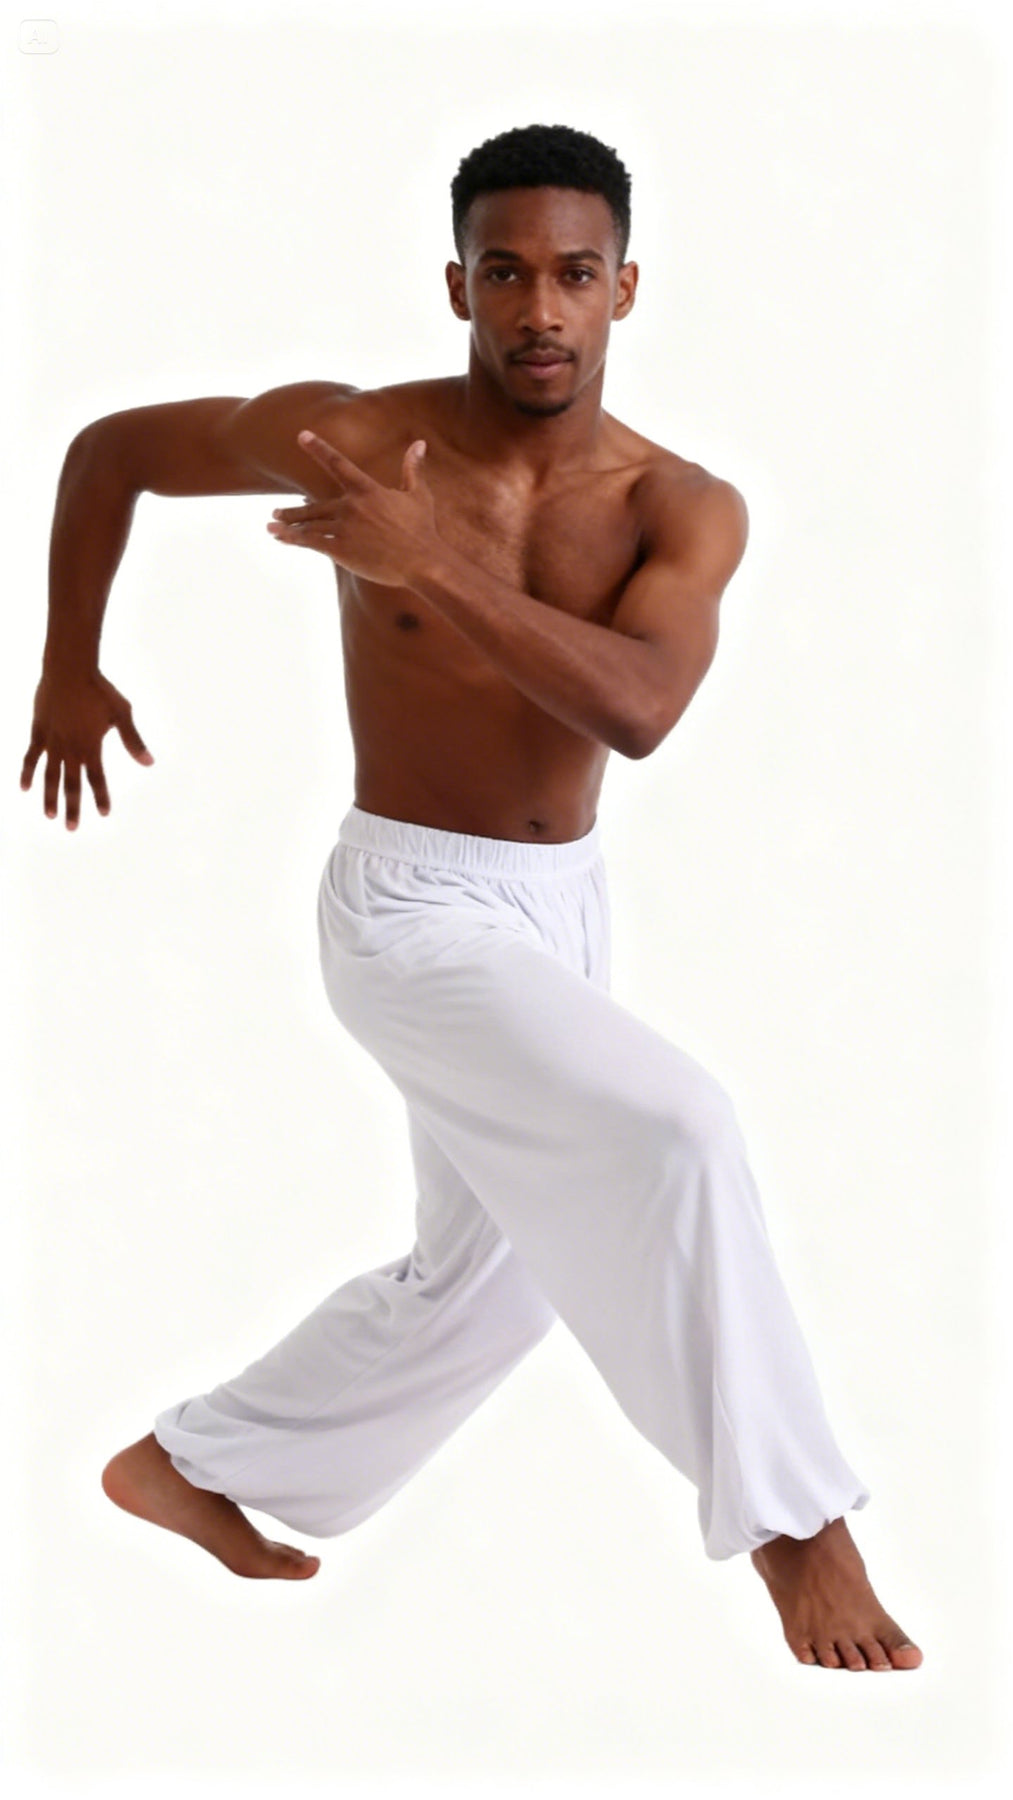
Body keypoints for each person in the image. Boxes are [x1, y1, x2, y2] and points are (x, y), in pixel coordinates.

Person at [21, 123, 922, 1673]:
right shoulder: (355, 439)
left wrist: (427, 565)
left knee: (490, 1282)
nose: (538, 309)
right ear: (456, 284)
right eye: (504, 273)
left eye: (573, 273)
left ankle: (190, 1464)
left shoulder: (680, 505)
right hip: (404, 909)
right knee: (678, 1130)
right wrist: (65, 663)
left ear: (624, 287)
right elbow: (111, 450)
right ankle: (800, 1533)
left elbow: (638, 709)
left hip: (557, 906)